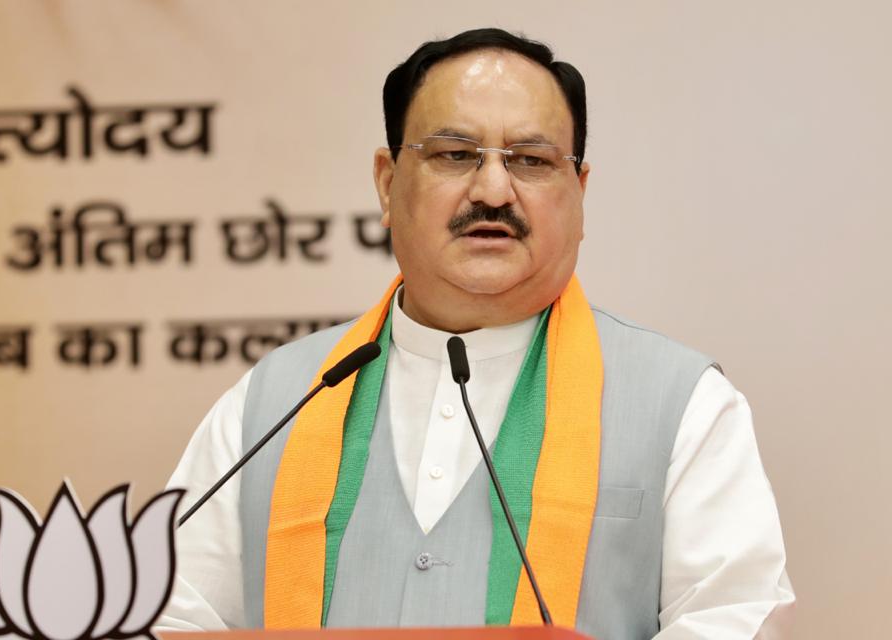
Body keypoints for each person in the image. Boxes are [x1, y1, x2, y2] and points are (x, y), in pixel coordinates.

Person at [158, 28, 794, 638]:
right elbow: (172, 615)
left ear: (579, 192)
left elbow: (734, 617)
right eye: (454, 154)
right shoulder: (272, 401)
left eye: (532, 160)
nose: (493, 190)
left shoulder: (680, 403)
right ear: (386, 184)